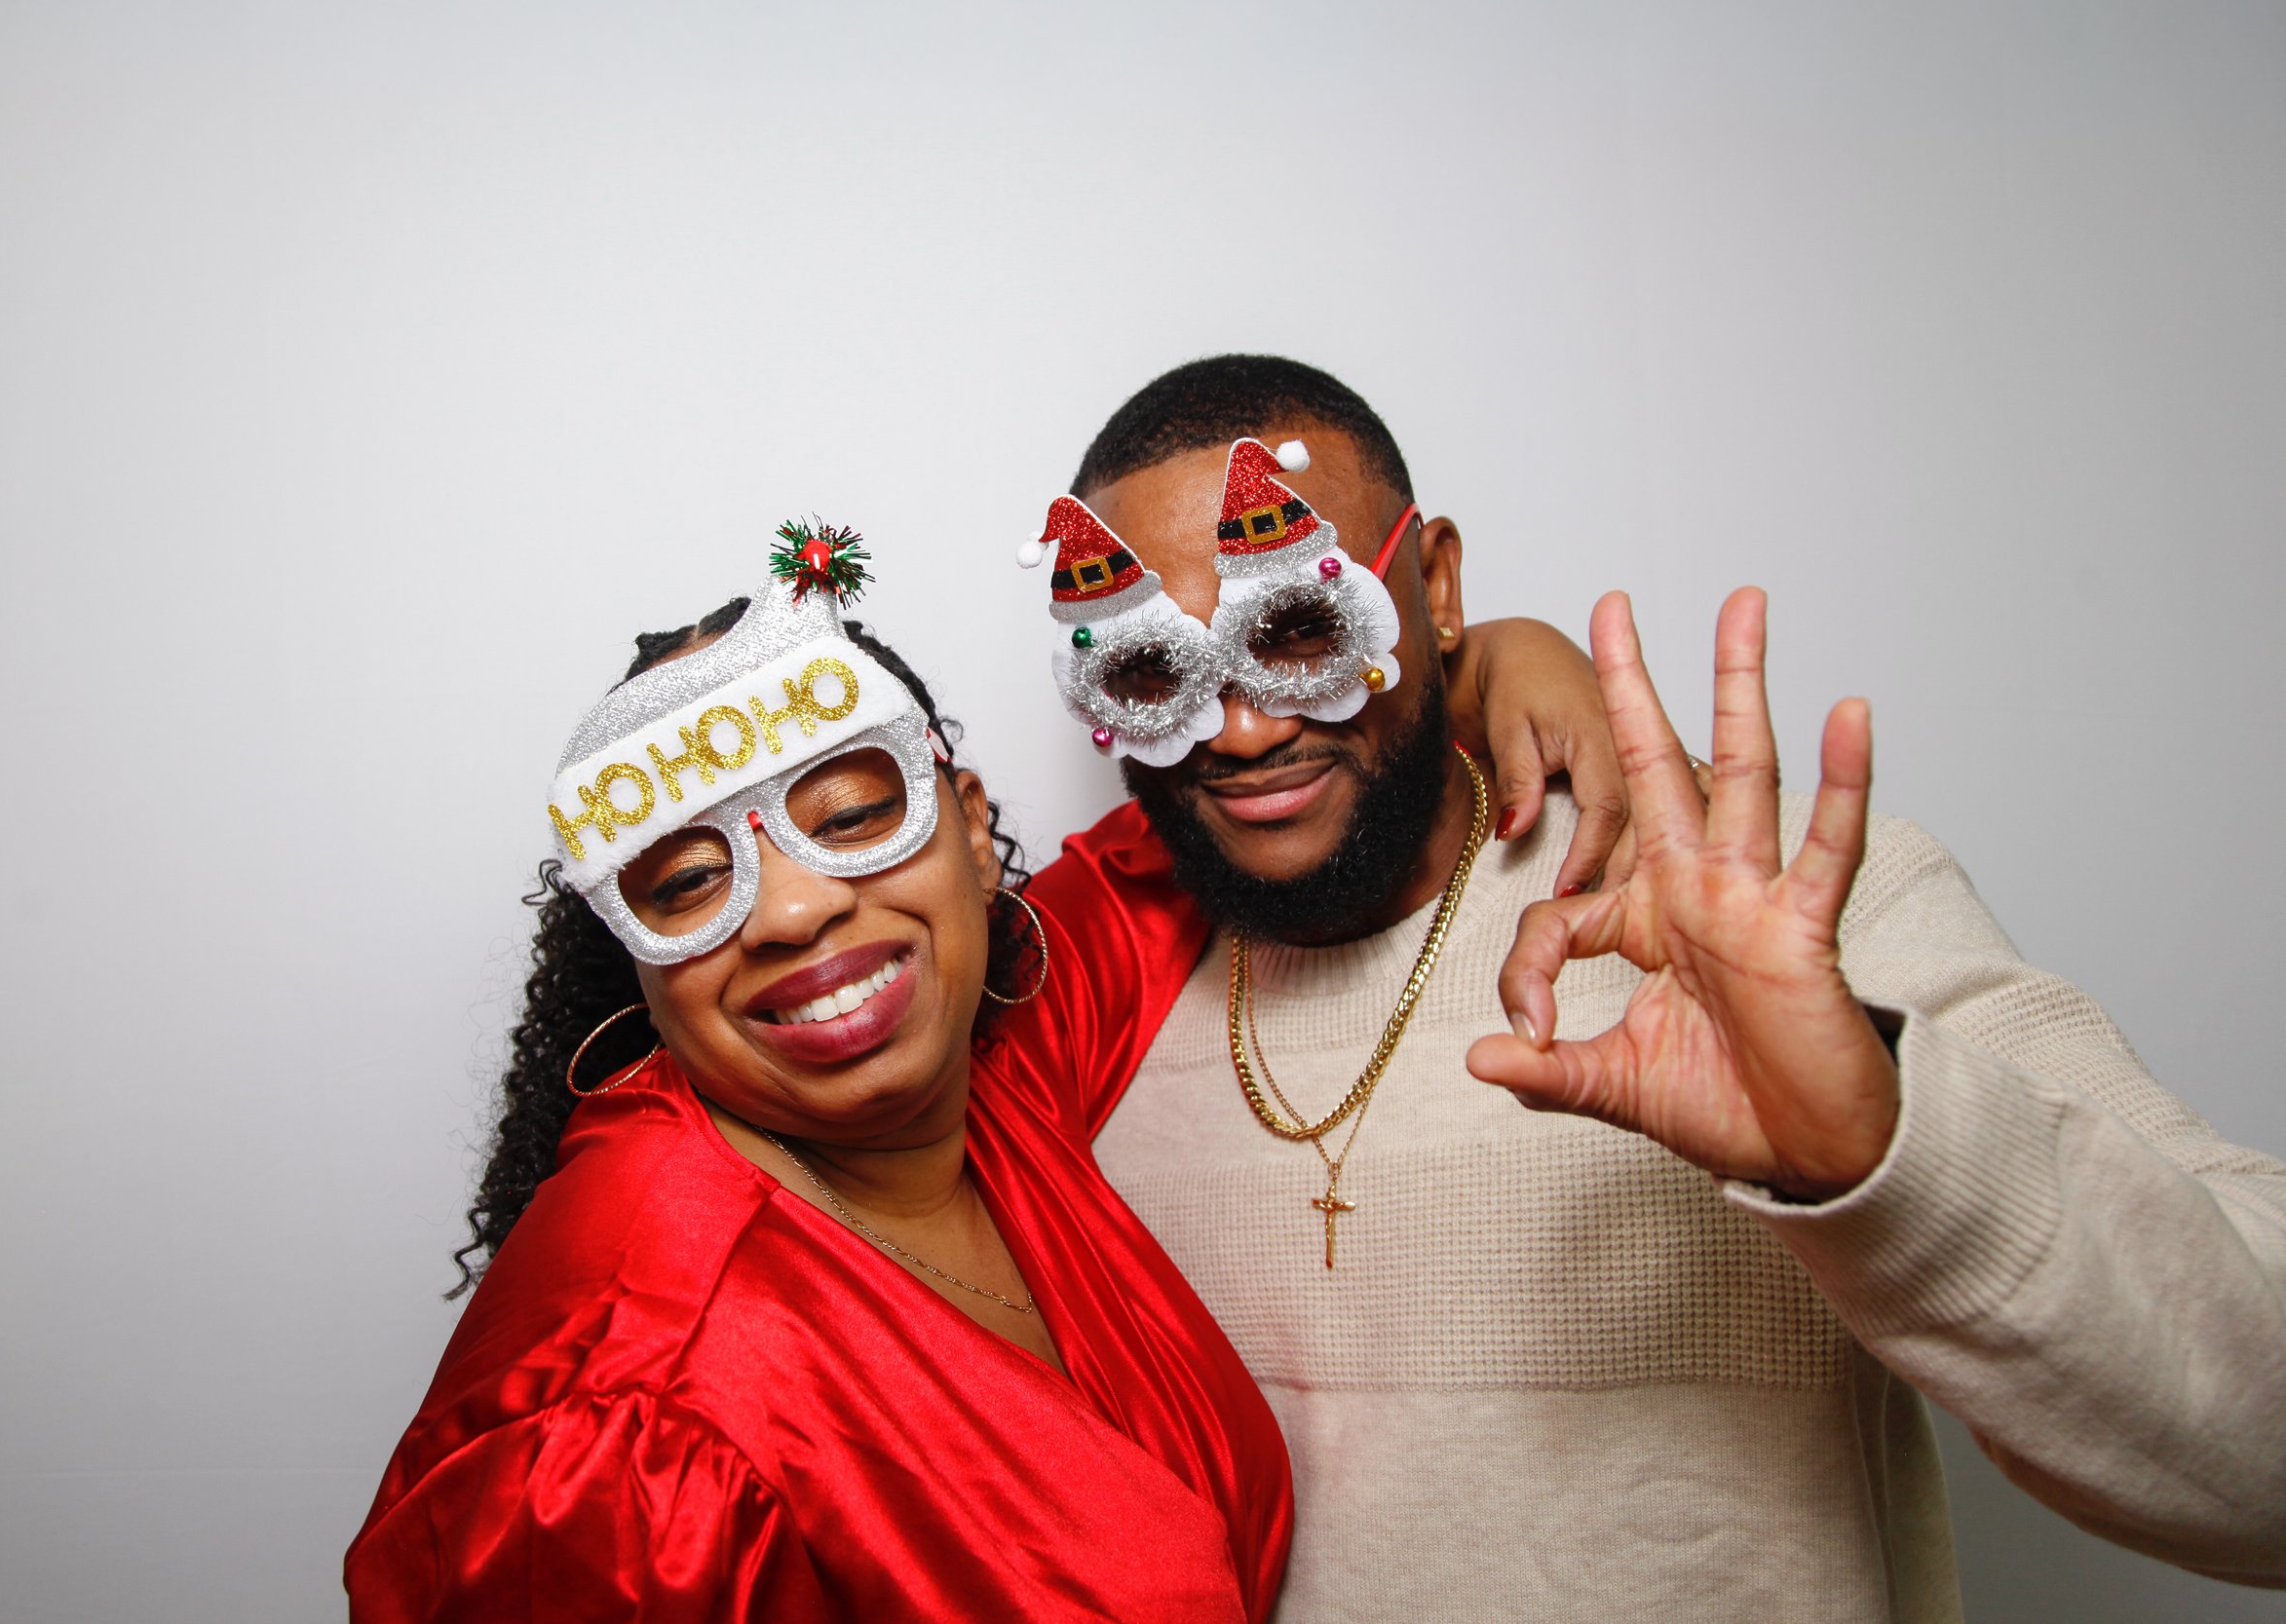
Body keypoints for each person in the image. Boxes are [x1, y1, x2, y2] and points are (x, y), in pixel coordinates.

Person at [1035, 355, 2286, 1621]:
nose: (1238, 731)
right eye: (1151, 671)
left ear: (1439, 586)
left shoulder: (1763, 923)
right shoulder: (1092, 1025)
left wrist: (1884, 1148)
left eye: (1299, 629)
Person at [344, 523, 1623, 1620]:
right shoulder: (614, 1422)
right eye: (690, 883)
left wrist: (1459, 664)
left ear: (965, 827)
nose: (791, 913)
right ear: (639, 960)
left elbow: (1196, 834)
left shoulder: (1001, 1055)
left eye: (849, 818)